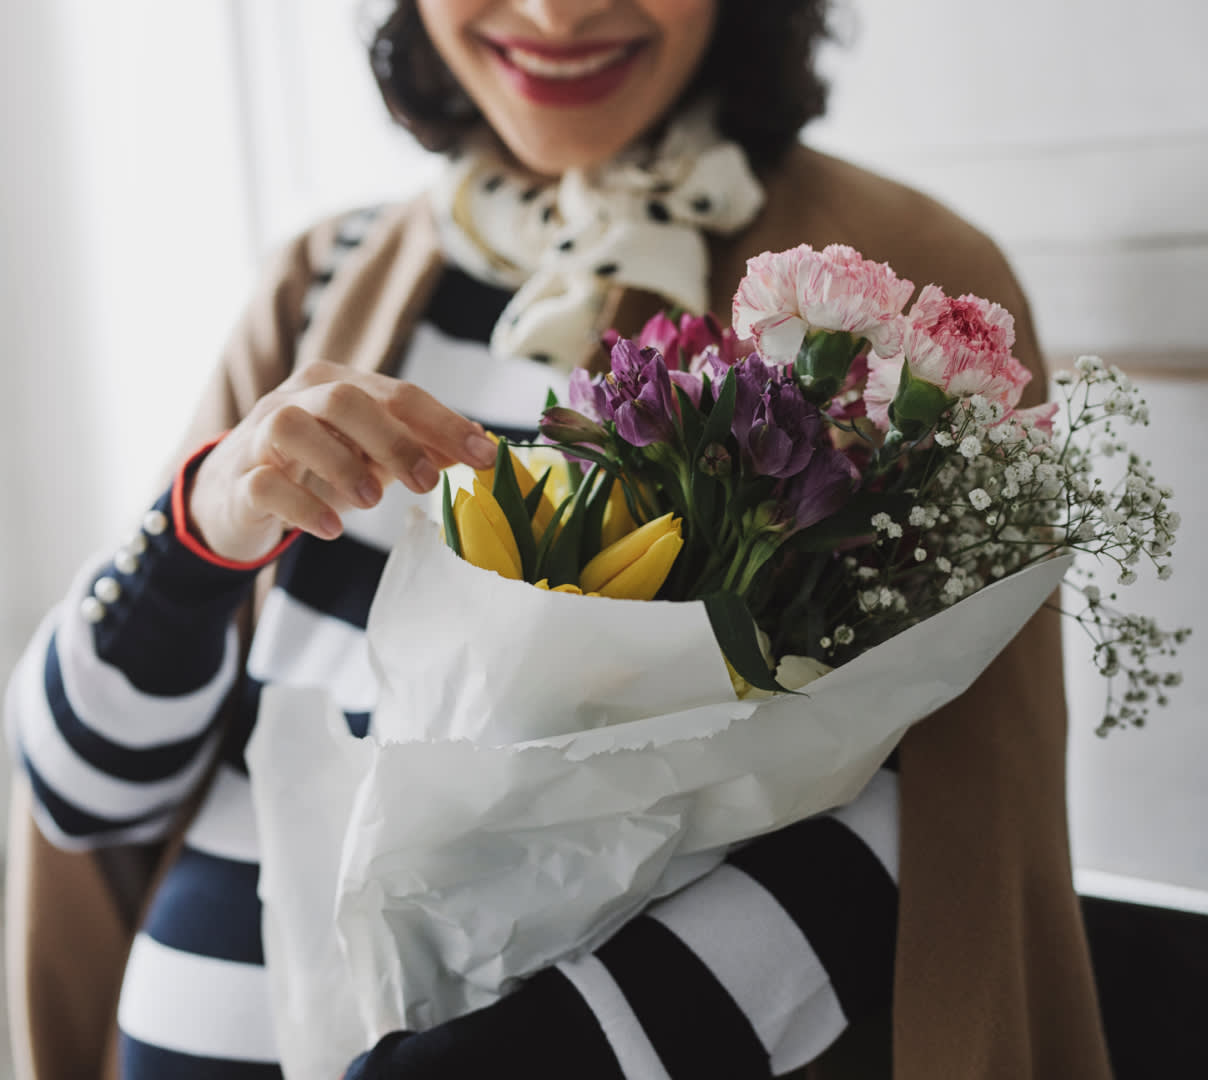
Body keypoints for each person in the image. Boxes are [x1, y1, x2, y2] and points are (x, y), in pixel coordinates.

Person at [4, 1, 1113, 1077]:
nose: (555, 10)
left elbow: (948, 815)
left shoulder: (893, 288)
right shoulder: (323, 276)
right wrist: (193, 542)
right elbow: (81, 798)